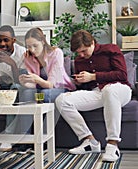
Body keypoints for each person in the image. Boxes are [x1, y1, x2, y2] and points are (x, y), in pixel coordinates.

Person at [55, 29, 132, 162]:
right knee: (61, 100)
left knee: (110, 90)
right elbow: (86, 87)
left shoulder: (110, 49)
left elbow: (122, 75)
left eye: (84, 51)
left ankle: (113, 145)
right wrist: (78, 82)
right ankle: (89, 141)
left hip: (120, 89)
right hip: (98, 93)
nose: (81, 55)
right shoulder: (79, 61)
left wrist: (93, 76)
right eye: (78, 52)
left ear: (92, 42)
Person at [17, 27, 76, 136]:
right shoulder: (28, 57)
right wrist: (24, 82)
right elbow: (33, 85)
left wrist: (36, 79)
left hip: (60, 88)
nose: (32, 50)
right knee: (26, 93)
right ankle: (24, 138)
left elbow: (50, 85)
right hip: (40, 88)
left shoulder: (56, 53)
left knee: (45, 94)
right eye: (28, 46)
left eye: (35, 46)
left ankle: (44, 138)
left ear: (43, 42)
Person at [0, 25, 27, 151]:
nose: (2, 44)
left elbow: (21, 81)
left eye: (6, 40)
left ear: (14, 40)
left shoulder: (22, 52)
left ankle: (8, 135)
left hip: (14, 84)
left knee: (16, 87)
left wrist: (12, 63)